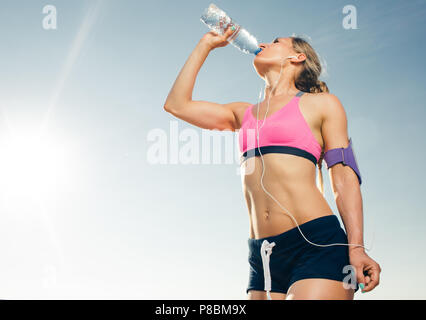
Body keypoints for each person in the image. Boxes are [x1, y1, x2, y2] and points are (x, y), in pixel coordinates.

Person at [163, 27, 381, 300]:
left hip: (316, 244)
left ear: (297, 57)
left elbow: (344, 178)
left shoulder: (322, 104)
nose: (264, 43)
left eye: (276, 42)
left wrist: (357, 247)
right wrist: (205, 44)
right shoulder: (243, 114)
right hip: (262, 256)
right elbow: (176, 104)